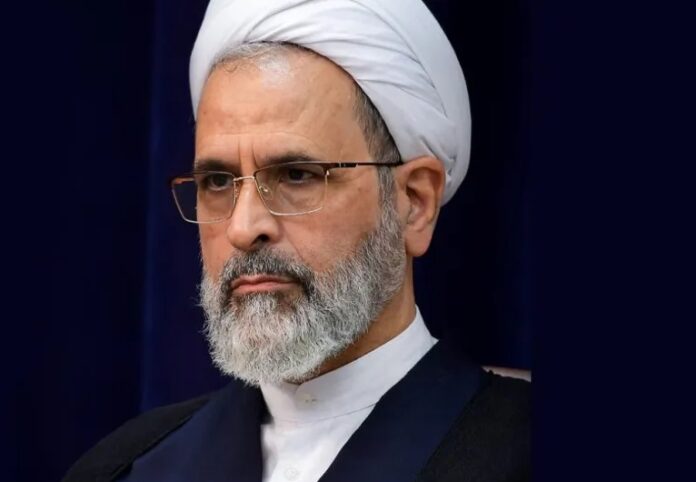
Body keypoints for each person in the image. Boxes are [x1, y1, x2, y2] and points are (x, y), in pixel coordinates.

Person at [64, 1, 530, 481]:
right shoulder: (125, 469)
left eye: (296, 175)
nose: (243, 228)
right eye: (218, 182)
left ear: (414, 202)